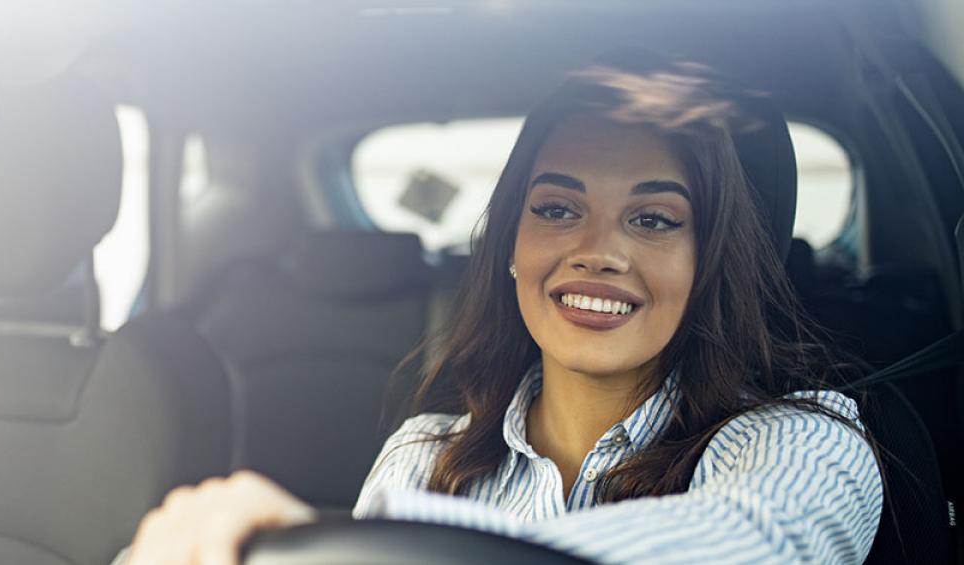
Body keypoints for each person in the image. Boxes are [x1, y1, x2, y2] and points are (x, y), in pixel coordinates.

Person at [122, 51, 883, 565]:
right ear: (512, 247)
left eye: (653, 219)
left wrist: (340, 543)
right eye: (556, 209)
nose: (598, 251)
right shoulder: (426, 456)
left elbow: (754, 543)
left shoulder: (807, 440)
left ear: (710, 262)